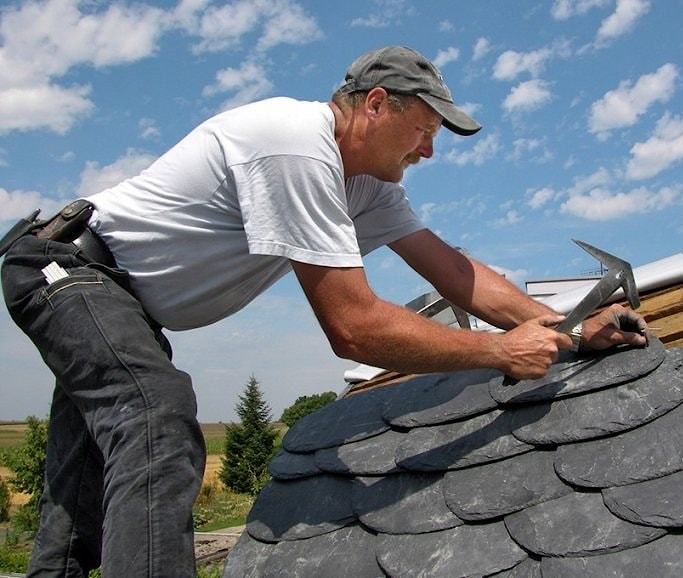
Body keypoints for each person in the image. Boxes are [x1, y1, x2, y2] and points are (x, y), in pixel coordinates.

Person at [1, 45, 648, 577]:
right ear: (374, 106)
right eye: (423, 131)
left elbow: (456, 273)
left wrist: (569, 329)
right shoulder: (295, 145)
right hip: (68, 269)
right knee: (155, 417)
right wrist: (498, 351)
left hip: (116, 305)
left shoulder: (367, 185)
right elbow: (354, 327)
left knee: (80, 484)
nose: (429, 152)